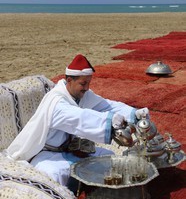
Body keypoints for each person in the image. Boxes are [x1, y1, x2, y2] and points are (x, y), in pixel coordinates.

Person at [6, 54, 149, 190]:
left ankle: (99, 192)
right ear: (69, 81)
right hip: (47, 153)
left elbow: (106, 105)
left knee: (108, 157)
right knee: (54, 174)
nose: (87, 88)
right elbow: (80, 118)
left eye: (89, 83)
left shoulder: (80, 94)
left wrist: (133, 114)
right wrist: (110, 120)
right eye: (83, 83)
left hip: (74, 148)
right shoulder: (56, 102)